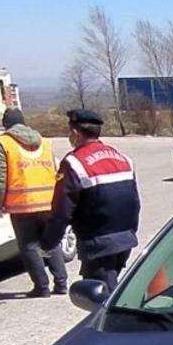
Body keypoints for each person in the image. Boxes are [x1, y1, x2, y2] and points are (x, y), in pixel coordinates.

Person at [43, 109, 141, 290]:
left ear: (75, 133)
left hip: (97, 243)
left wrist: (48, 243)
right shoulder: (123, 159)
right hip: (124, 240)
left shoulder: (74, 163)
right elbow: (135, 203)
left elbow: (62, 210)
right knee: (112, 287)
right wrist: (131, 231)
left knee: (100, 295)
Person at [0, 108, 68, 297]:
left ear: (6, 125)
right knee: (51, 242)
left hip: (22, 203)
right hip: (48, 200)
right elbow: (56, 168)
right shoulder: (43, 142)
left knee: (29, 246)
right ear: (24, 123)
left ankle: (41, 287)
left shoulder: (2, 143)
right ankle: (61, 284)